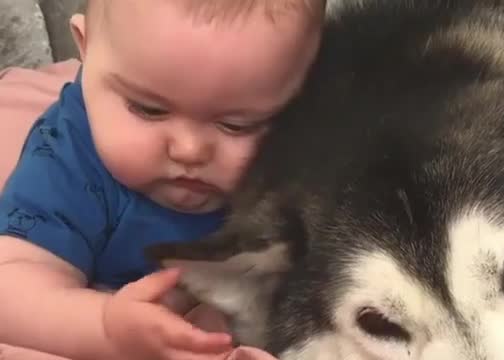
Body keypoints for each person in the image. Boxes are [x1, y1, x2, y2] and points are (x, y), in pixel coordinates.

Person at [0, 0, 325, 359]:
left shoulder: (300, 154)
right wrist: (105, 327)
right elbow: (11, 289)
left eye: (237, 125)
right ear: (86, 47)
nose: (189, 150)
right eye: (148, 109)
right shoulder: (68, 156)